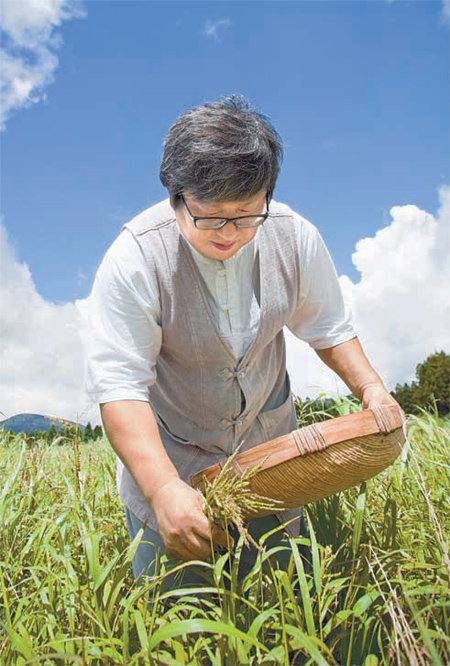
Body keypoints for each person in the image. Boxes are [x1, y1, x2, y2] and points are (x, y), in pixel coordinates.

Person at [85, 95, 402, 587]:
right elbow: (119, 385)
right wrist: (164, 489)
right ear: (176, 197)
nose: (229, 232)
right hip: (173, 468)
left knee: (281, 608)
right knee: (177, 619)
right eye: (209, 216)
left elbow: (330, 328)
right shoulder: (135, 257)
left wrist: (373, 391)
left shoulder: (295, 236)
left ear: (267, 196)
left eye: (246, 214)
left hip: (273, 465)